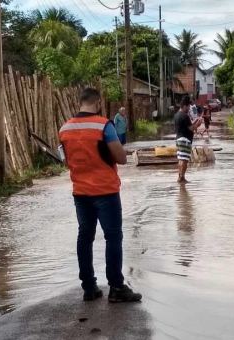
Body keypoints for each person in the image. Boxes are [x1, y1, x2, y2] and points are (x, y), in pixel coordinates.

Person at [58, 88, 142, 303]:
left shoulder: (64, 129)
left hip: (80, 192)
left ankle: (89, 288)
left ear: (80, 102)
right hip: (105, 191)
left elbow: (66, 160)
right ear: (98, 103)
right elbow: (121, 158)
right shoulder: (103, 125)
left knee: (84, 237)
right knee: (113, 237)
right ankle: (116, 288)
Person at [175, 97, 203, 183]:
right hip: (185, 140)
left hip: (179, 139)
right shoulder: (184, 115)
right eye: (188, 107)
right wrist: (198, 124)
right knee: (184, 160)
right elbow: (191, 128)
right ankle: (182, 177)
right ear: (184, 106)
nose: (189, 109)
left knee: (181, 158)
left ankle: (180, 176)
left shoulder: (177, 115)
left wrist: (195, 122)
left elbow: (187, 126)